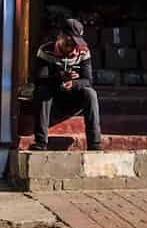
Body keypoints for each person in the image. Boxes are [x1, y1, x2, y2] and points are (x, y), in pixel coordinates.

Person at [32, 17, 102, 151]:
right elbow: (39, 79)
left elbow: (88, 81)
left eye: (75, 44)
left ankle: (95, 144)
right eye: (69, 43)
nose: (72, 48)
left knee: (91, 93)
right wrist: (59, 78)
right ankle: (40, 142)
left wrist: (74, 83)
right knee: (42, 91)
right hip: (52, 100)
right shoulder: (45, 51)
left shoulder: (83, 52)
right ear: (60, 37)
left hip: (72, 98)